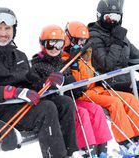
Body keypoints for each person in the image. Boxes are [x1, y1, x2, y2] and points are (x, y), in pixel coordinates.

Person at [0, 7, 81, 158]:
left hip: (20, 107)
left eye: (7, 28)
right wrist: (12, 92)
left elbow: (32, 82)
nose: (3, 33)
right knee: (47, 108)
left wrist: (48, 82)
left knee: (65, 102)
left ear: (14, 30)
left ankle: (71, 153)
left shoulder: (19, 56)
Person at [30, 24, 112, 157]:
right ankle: (87, 151)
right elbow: (39, 87)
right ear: (43, 44)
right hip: (58, 105)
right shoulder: (38, 65)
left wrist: (77, 86)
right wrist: (57, 84)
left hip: (71, 99)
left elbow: (73, 84)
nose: (55, 49)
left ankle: (102, 152)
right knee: (82, 113)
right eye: (51, 44)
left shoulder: (63, 62)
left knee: (96, 109)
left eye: (59, 44)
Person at [63, 21, 139, 152]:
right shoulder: (65, 59)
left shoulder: (87, 54)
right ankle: (125, 142)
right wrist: (73, 62)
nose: (81, 44)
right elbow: (78, 82)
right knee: (114, 103)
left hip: (97, 89)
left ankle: (137, 136)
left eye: (83, 41)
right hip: (84, 94)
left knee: (129, 98)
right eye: (77, 40)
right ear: (68, 39)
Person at [88, 0, 139, 92]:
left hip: (126, 80)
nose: (112, 21)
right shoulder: (94, 36)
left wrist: (118, 39)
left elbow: (135, 56)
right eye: (108, 17)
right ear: (99, 16)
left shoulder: (118, 34)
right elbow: (106, 65)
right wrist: (117, 42)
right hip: (108, 83)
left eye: (117, 17)